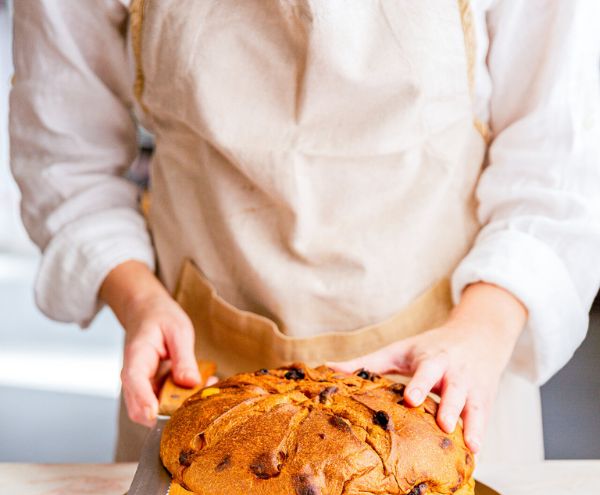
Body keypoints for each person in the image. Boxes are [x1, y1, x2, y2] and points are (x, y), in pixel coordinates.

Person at [10, 0, 600, 463]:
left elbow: (561, 161)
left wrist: (481, 330)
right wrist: (138, 299)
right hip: (196, 381)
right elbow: (66, 160)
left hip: (450, 381)